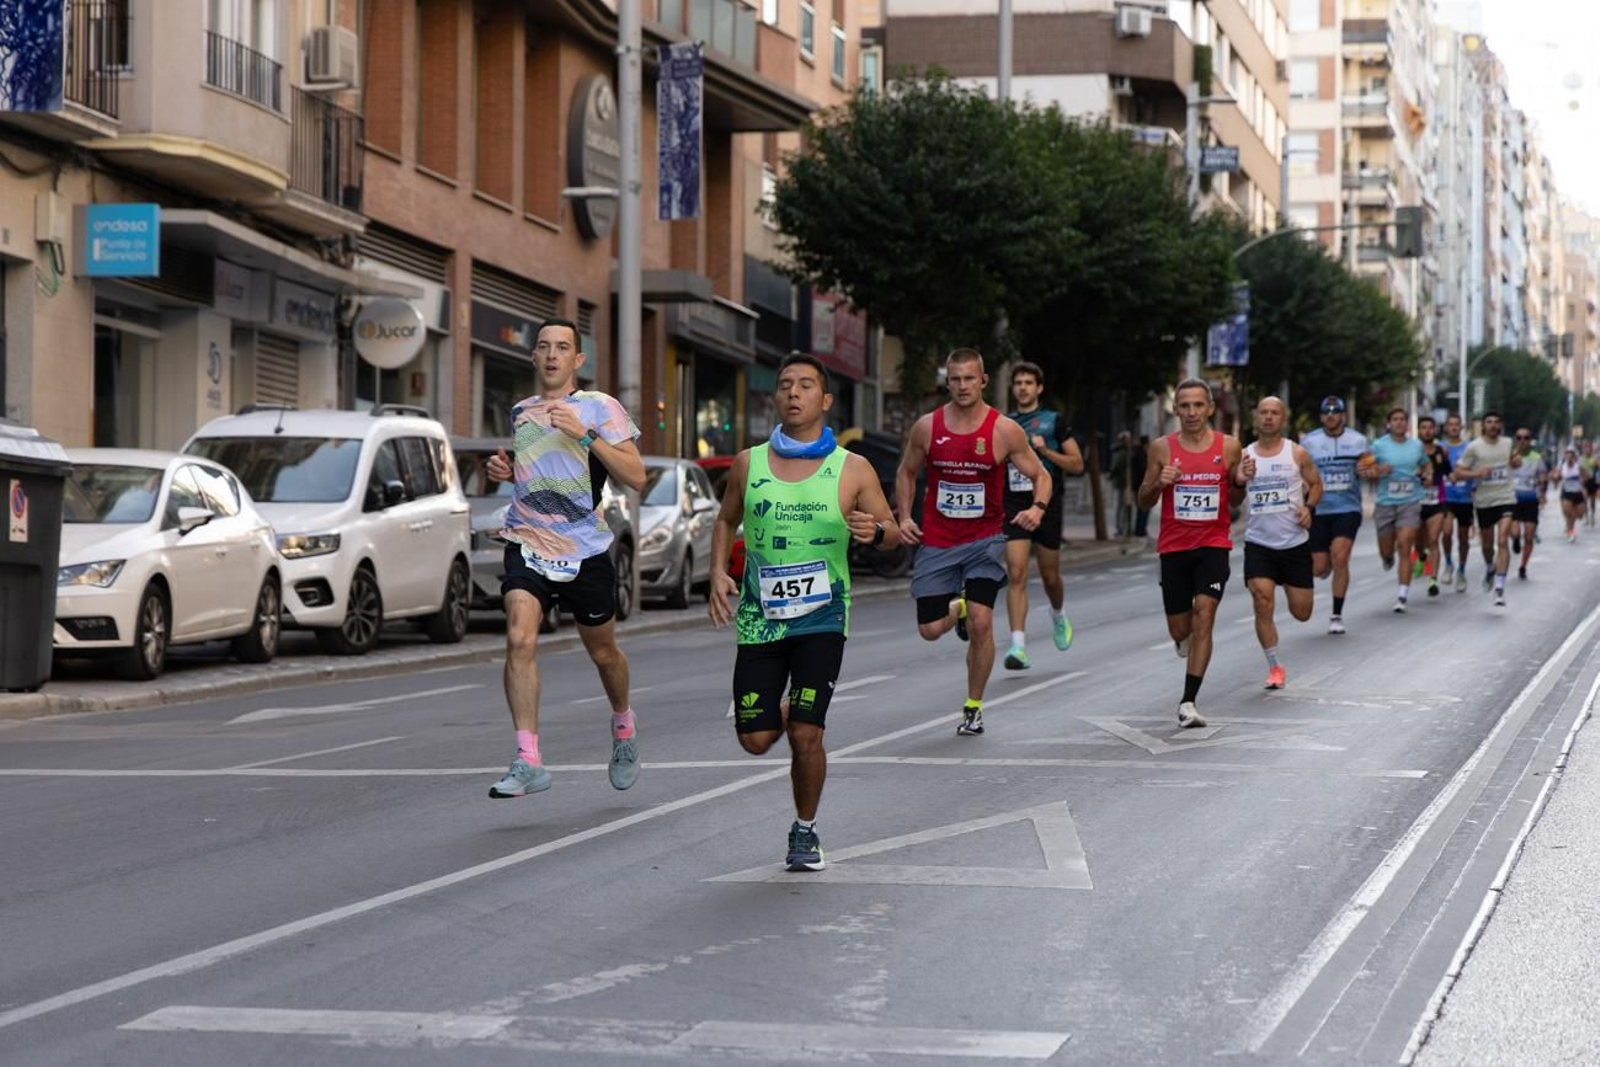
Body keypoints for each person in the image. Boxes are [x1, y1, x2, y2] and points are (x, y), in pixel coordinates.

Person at [708, 353, 901, 872]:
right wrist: (717, 573)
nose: (794, 393)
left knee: (806, 734)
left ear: (826, 400)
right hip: (760, 620)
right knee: (755, 739)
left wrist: (876, 532)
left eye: (806, 385)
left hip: (823, 619)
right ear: (775, 398)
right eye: (785, 385)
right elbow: (724, 520)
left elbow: (892, 534)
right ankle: (789, 711)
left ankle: (805, 831)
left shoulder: (853, 468)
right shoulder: (748, 463)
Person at [484, 318, 648, 799]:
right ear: (533, 356)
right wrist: (506, 470)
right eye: (544, 346)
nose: (552, 354)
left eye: (562, 347)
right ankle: (528, 759)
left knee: (603, 653)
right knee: (519, 637)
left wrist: (586, 435)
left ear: (578, 360)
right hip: (528, 540)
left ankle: (623, 724)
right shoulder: (522, 412)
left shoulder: (600, 407)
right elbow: (537, 471)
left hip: (585, 548)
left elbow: (636, 477)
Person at [896, 347, 1053, 737]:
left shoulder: (1003, 430)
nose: (963, 385)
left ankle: (973, 707)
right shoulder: (927, 427)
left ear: (983, 381)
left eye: (970, 378)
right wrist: (905, 517)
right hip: (939, 540)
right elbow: (906, 472)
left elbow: (1041, 475)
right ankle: (958, 608)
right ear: (947, 382)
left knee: (983, 624)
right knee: (930, 629)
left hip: (985, 540)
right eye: (956, 379)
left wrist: (1037, 508)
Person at [1135, 377, 1247, 728]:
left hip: (1213, 544)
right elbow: (1143, 500)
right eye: (1185, 406)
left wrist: (1240, 481)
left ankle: (1188, 701)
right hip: (1174, 547)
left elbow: (1236, 500)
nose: (1192, 412)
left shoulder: (1229, 447)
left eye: (1198, 405)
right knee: (1180, 629)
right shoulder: (1161, 449)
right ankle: (1183, 640)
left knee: (1204, 615)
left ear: (1210, 408)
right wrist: (1159, 483)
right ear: (1176, 410)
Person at [1000, 362, 1084, 670]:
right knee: (1017, 573)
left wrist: (1045, 451)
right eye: (1018, 382)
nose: (1023, 387)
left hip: (1047, 502)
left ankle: (1058, 614)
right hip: (1013, 502)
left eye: (1028, 382)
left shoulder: (1053, 422)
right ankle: (1018, 646)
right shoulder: (1004, 424)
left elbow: (1077, 464)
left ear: (1039, 388)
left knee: (1050, 576)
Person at [1241, 397, 1323, 689]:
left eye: (1274, 413)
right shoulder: (1245, 456)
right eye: (1263, 412)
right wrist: (1238, 478)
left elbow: (1316, 484)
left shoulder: (1296, 453)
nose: (1268, 417)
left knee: (1302, 613)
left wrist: (1308, 508)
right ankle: (1274, 666)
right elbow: (1233, 493)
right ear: (1256, 418)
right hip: (1258, 543)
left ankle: (1289, 585)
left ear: (1283, 419)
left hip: (1293, 543)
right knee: (1262, 600)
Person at [1301, 396, 1371, 634]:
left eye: (1335, 412)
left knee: (1341, 556)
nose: (1331, 416)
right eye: (1326, 412)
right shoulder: (1309, 441)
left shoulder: (1358, 440)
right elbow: (1300, 471)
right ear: (1321, 417)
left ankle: (1336, 615)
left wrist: (1367, 468)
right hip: (1320, 509)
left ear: (1343, 416)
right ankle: (1327, 563)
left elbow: (1370, 466)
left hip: (1347, 509)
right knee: (1319, 568)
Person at [1451, 411, 1516, 607]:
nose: (1493, 425)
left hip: (1506, 498)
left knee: (1502, 540)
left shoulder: (1507, 443)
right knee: (1487, 546)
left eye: (1496, 422)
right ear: (1484, 426)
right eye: (1489, 422)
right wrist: (1477, 473)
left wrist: (1516, 461)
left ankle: (1499, 588)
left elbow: (1515, 459)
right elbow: (1458, 472)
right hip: (1484, 501)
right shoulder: (1474, 447)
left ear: (1501, 425)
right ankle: (1490, 566)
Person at [1369, 407, 1430, 613]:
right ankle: (1387, 558)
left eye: (1402, 419)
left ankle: (1402, 595)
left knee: (1405, 545)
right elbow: (1366, 470)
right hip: (1385, 502)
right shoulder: (1378, 445)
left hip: (1410, 501)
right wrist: (1378, 470)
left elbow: (1426, 465)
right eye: (1395, 419)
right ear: (1389, 423)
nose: (1399, 422)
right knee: (1387, 550)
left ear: (1407, 423)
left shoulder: (1416, 446)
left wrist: (1427, 475)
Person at [1418, 416, 1453, 597]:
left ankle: (1432, 580)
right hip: (1416, 502)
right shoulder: (1413, 450)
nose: (1427, 431)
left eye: (1430, 427)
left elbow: (1449, 472)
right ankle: (1420, 555)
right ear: (1418, 430)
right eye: (1423, 427)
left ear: (1435, 430)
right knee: (1418, 540)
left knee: (1433, 539)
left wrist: (1456, 477)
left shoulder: (1441, 451)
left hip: (1437, 501)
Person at [1440, 413, 1474, 593]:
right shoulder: (1440, 447)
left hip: (1465, 498)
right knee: (1446, 532)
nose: (1453, 427)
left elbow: (1475, 470)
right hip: (1446, 497)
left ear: (1461, 427)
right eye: (1450, 424)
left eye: (1456, 424)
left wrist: (1474, 490)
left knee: (1463, 537)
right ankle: (1448, 562)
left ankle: (1461, 570)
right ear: (1446, 428)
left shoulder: (1469, 448)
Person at [1508, 428, 1548, 579]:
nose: (1522, 441)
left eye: (1526, 438)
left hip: (1531, 500)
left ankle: (1523, 566)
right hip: (1513, 500)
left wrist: (1542, 493)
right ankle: (1515, 540)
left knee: (1529, 536)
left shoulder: (1536, 458)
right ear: (1515, 440)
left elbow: (1543, 477)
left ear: (1530, 440)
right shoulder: (1510, 456)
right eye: (1519, 438)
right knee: (1515, 532)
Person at [1557, 446, 1586, 543]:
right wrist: (1556, 477)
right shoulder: (1562, 465)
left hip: (1578, 492)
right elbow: (1556, 476)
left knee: (1580, 515)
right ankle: (1571, 532)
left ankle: (1570, 527)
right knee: (1569, 513)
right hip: (1567, 492)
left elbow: (1586, 476)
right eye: (1567, 456)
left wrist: (1584, 481)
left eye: (1571, 457)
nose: (1569, 459)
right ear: (1565, 457)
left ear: (1574, 457)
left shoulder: (1578, 466)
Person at [1131, 435, 1152, 537]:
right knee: (1143, 509)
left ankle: (1140, 529)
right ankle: (1140, 530)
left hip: (1138, 485)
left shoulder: (1139, 454)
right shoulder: (1141, 455)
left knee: (1142, 509)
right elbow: (1143, 471)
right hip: (1141, 486)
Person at [1582, 441, 1598, 527]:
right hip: (1585, 482)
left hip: (1593, 481)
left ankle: (1592, 516)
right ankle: (1586, 517)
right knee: (1584, 499)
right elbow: (1579, 470)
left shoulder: (1594, 458)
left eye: (1589, 448)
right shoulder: (1581, 459)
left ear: (1591, 449)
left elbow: (1598, 469)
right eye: (1586, 448)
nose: (1587, 450)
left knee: (1592, 501)